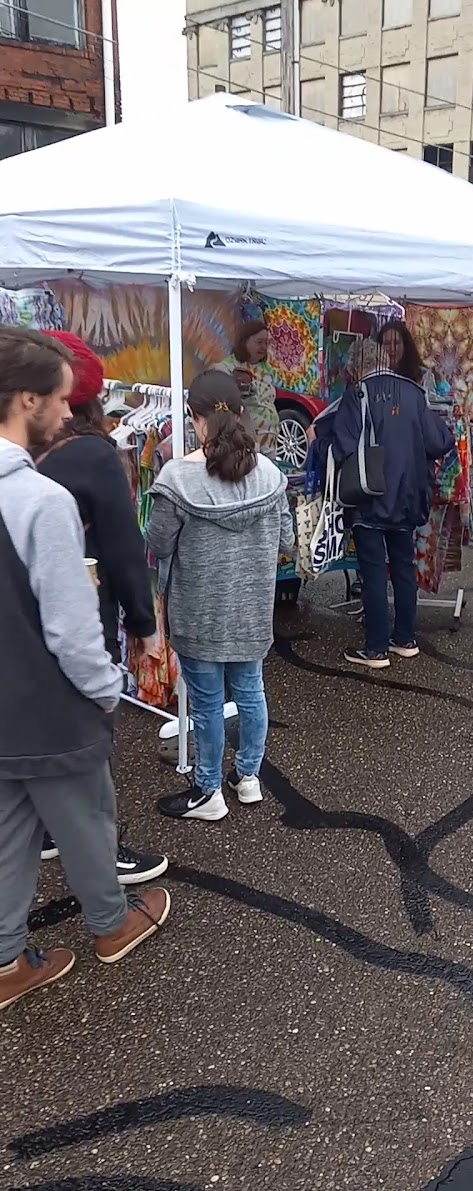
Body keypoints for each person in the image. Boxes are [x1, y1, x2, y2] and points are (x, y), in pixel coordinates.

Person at [0, 327, 170, 1011]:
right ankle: (112, 924)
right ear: (25, 399)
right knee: (87, 817)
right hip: (50, 702)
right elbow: (71, 630)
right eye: (61, 402)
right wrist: (108, 692)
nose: (69, 415)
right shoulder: (40, 501)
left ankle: (7, 957)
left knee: (9, 832)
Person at [34, 330, 168, 886]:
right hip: (82, 608)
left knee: (39, 723)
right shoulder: (95, 454)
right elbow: (121, 549)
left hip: (23, 619)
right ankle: (101, 849)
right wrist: (144, 622)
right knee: (91, 728)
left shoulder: (25, 454)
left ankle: (44, 833)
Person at [147, 370, 294, 820]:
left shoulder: (176, 478)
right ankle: (247, 778)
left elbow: (157, 544)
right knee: (251, 690)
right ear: (242, 413)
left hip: (198, 609)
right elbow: (287, 541)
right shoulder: (270, 474)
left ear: (195, 418)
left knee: (208, 701)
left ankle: (208, 791)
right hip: (250, 609)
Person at [331, 358, 454, 669]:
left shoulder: (358, 393)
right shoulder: (414, 393)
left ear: (357, 368)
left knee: (373, 572)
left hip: (369, 496)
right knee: (402, 566)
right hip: (408, 496)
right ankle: (405, 639)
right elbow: (441, 441)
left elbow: (342, 445)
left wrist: (318, 443)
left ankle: (375, 648)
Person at [215, 320, 278, 458]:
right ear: (244, 341)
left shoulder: (267, 369)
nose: (263, 347)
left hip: (269, 443)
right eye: (259, 342)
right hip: (246, 443)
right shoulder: (226, 368)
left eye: (266, 343)